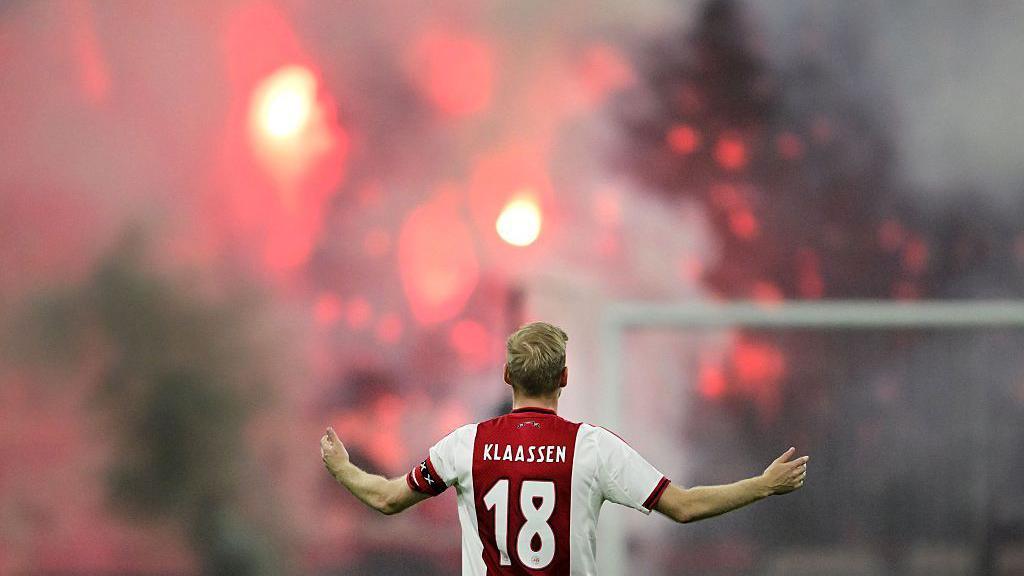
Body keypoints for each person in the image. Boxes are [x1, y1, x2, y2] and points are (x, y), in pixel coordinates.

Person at [321, 321, 808, 575]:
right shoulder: (591, 447)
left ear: (507, 376)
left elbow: (387, 499)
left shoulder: (466, 445)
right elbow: (683, 506)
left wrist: (342, 468)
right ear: (564, 378)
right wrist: (762, 485)